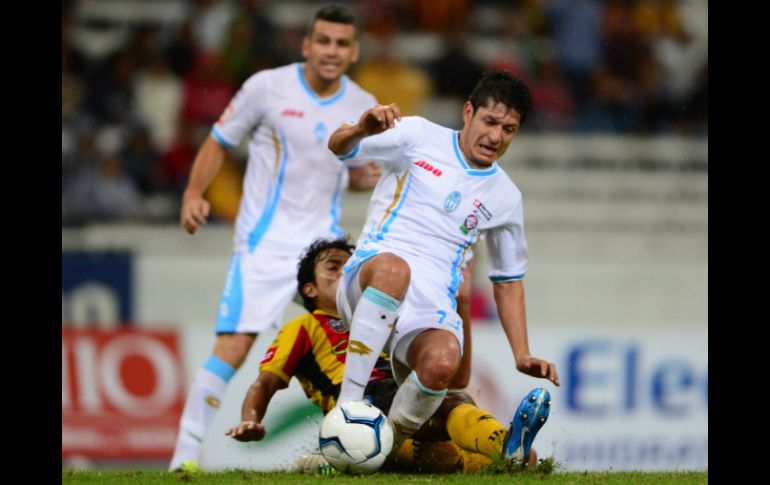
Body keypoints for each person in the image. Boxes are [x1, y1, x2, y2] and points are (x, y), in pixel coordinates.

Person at [169, 5, 380, 472]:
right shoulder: (266, 88)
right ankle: (184, 458)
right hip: (264, 245)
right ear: (306, 45)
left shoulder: (362, 102)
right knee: (233, 347)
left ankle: (359, 451)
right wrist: (192, 193)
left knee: (352, 346)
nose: (331, 50)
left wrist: (368, 175)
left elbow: (357, 173)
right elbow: (218, 140)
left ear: (354, 51)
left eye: (342, 43)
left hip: (325, 253)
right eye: (323, 40)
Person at [327, 71, 560, 459]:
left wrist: (521, 353)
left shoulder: (505, 198)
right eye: (490, 122)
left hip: (428, 304)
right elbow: (339, 148)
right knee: (394, 271)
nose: (497, 137)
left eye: (509, 129)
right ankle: (345, 409)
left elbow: (507, 280)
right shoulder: (418, 135)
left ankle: (381, 448)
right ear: (468, 112)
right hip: (369, 278)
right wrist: (360, 128)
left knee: (444, 362)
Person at [225, 237, 548, 473]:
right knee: (453, 405)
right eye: (333, 267)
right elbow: (264, 383)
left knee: (469, 456)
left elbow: (457, 375)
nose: (344, 274)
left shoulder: (388, 319)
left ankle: (339, 464)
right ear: (309, 289)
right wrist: (250, 419)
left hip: (402, 423)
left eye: (350, 267)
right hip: (363, 407)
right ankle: (504, 443)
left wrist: (462, 303)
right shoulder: (304, 326)